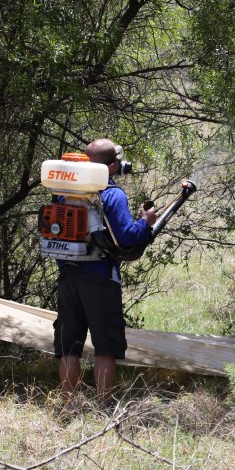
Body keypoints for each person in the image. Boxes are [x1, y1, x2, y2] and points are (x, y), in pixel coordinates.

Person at [53, 138, 157, 407]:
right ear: (112, 165)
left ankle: (68, 405)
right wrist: (146, 221)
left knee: (68, 346)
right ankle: (104, 406)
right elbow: (126, 237)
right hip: (100, 278)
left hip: (67, 276)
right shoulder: (112, 194)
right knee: (106, 347)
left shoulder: (63, 189)